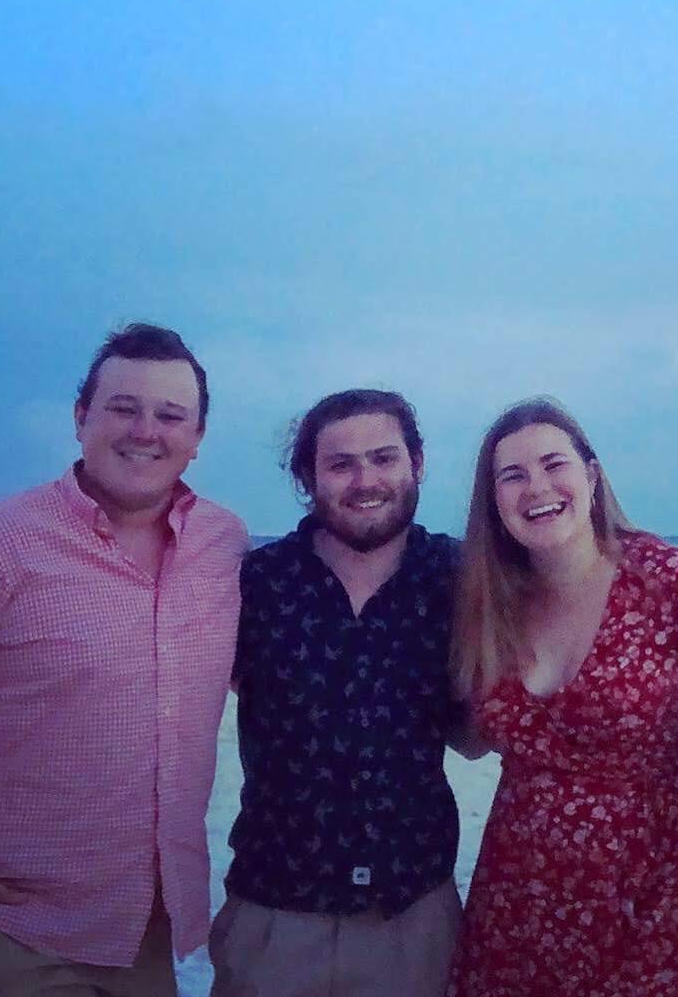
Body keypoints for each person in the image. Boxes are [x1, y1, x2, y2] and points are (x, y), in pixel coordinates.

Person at [0, 322, 248, 997]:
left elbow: (262, 672)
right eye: (123, 408)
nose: (145, 431)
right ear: (81, 417)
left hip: (146, 933)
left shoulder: (224, 544)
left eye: (170, 415)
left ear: (198, 436)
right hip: (12, 937)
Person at [447, 397, 678, 997]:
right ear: (494, 501)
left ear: (590, 475)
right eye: (513, 475)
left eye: (553, 464)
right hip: (516, 904)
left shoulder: (673, 580)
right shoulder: (487, 602)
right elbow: (471, 739)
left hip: (648, 901)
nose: (537, 487)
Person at [212, 389, 466, 997]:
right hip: (273, 914)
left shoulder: (461, 578)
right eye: (341, 464)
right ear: (308, 477)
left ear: (417, 463)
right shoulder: (256, 584)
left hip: (412, 917)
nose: (365, 480)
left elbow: (481, 732)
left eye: (384, 458)